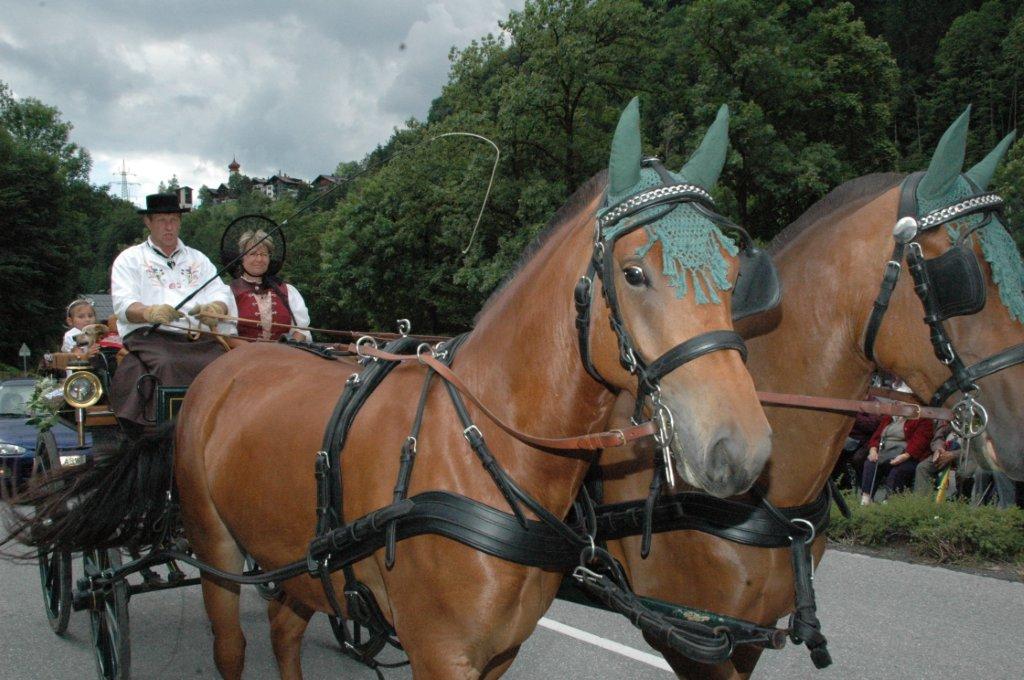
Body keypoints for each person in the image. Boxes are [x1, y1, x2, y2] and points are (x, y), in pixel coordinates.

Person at [109, 193, 237, 429]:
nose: (168, 227)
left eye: (174, 220)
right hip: (150, 336)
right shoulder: (130, 259)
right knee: (168, 363)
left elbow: (220, 292)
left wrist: (214, 308)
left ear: (180, 222)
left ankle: (222, 429)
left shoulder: (198, 259)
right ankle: (170, 431)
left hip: (198, 338)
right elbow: (123, 303)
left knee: (225, 363)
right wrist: (149, 312)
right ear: (148, 222)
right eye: (161, 220)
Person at [229, 229, 311, 342]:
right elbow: (227, 336)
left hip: (285, 352)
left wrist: (285, 349)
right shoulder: (230, 292)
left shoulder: (286, 290)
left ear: (269, 258)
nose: (259, 259)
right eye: (252, 254)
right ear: (242, 258)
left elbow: (302, 330)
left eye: (264, 254)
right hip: (243, 353)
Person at [860, 413, 933, 504]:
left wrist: (905, 456)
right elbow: (876, 437)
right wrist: (873, 450)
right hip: (885, 453)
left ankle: (890, 502)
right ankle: (866, 499)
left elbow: (920, 442)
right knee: (870, 463)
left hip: (909, 456)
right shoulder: (889, 417)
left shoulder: (923, 419)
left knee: (898, 471)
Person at [913, 421, 962, 498]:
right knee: (923, 467)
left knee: (964, 473)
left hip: (968, 455)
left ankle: (959, 501)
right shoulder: (948, 416)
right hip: (946, 450)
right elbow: (939, 437)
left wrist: (954, 454)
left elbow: (978, 449)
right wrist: (939, 449)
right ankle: (923, 502)